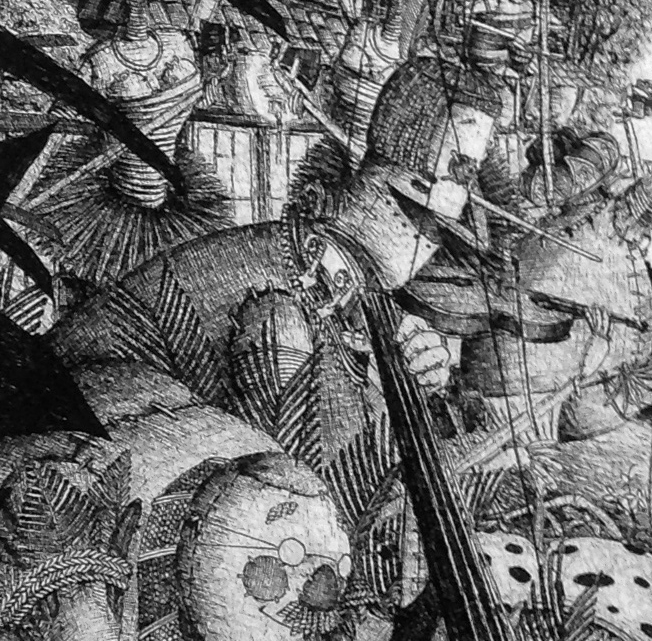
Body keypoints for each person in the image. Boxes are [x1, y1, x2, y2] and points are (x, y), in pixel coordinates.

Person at [49, 59, 503, 542]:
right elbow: (302, 491)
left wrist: (411, 379)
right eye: (424, 223)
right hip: (76, 461)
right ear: (384, 195)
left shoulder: (327, 274)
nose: (427, 246)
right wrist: (386, 400)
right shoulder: (283, 302)